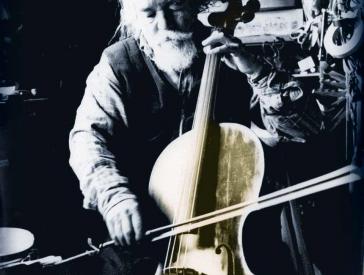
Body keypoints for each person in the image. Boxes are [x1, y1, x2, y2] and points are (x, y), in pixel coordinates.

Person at [69, 0, 345, 274]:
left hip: (234, 234)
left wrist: (256, 72)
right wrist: (114, 196)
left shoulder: (229, 52)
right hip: (150, 234)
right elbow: (88, 139)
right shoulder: (118, 65)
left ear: (194, 5)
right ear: (132, 17)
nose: (164, 25)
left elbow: (305, 128)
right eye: (149, 13)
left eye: (174, 6)